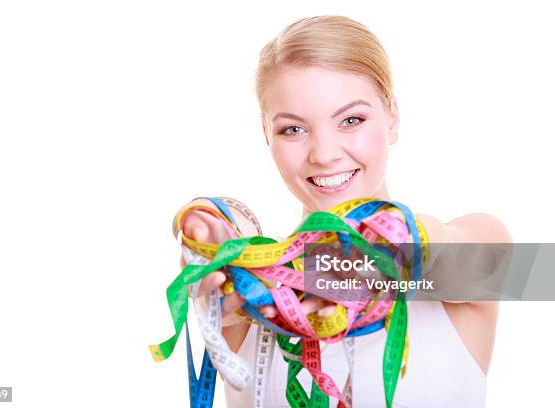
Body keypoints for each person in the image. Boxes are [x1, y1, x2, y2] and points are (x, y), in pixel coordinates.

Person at [179, 15, 511, 407]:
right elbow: (222, 255)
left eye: (351, 120)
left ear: (392, 118)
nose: (324, 154)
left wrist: (384, 243)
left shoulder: (477, 241)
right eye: (293, 129)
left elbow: (492, 264)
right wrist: (212, 244)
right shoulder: (252, 293)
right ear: (266, 134)